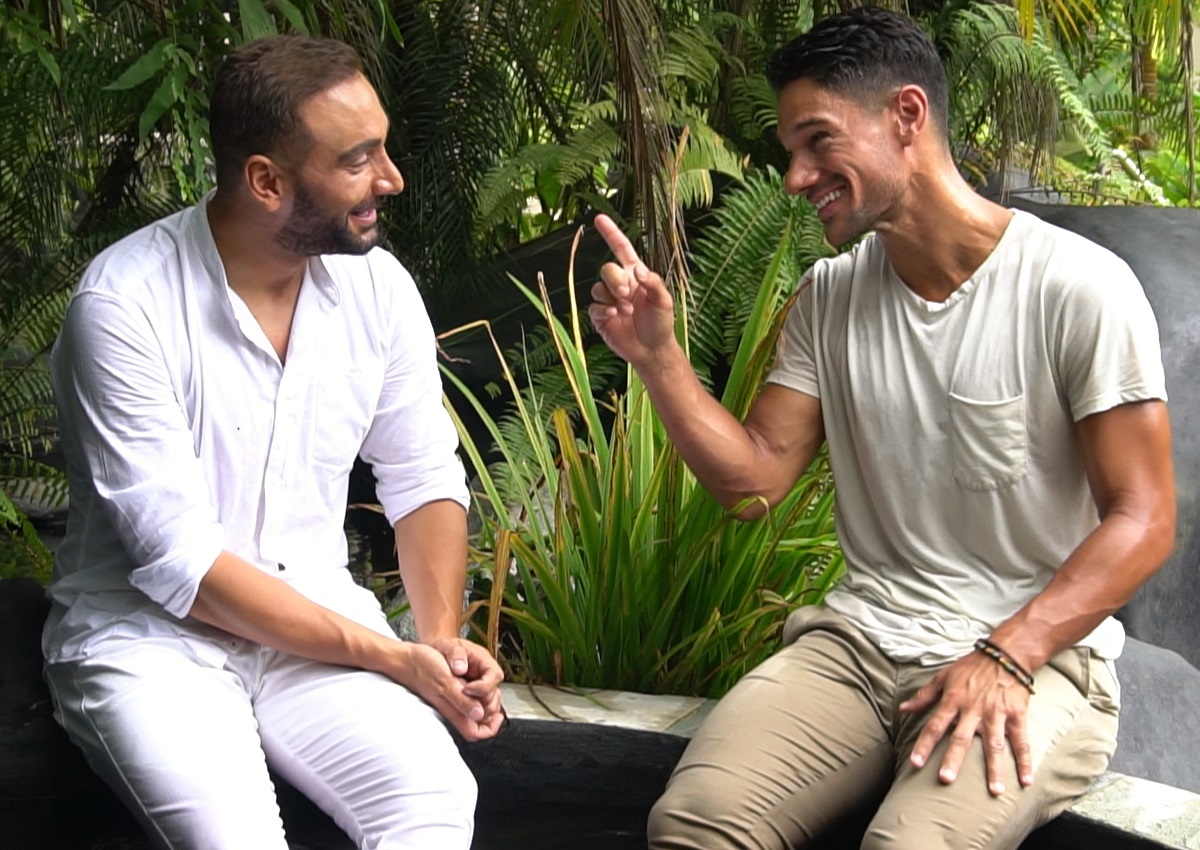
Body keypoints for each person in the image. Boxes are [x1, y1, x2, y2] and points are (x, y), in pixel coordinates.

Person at [589, 7, 1176, 850]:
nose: (796, 177)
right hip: (859, 643)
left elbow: (1145, 519)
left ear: (907, 115)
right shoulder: (827, 299)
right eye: (790, 151)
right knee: (695, 824)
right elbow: (754, 484)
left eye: (817, 141)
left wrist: (1007, 653)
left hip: (1036, 660)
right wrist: (657, 358)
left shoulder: (1077, 286)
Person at [43, 35, 503, 850]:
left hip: (317, 626)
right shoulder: (123, 307)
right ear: (266, 181)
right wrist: (389, 656)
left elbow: (422, 475)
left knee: (433, 800)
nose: (391, 178)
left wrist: (436, 641)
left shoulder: (379, 288)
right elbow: (184, 567)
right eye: (359, 160)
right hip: (153, 640)